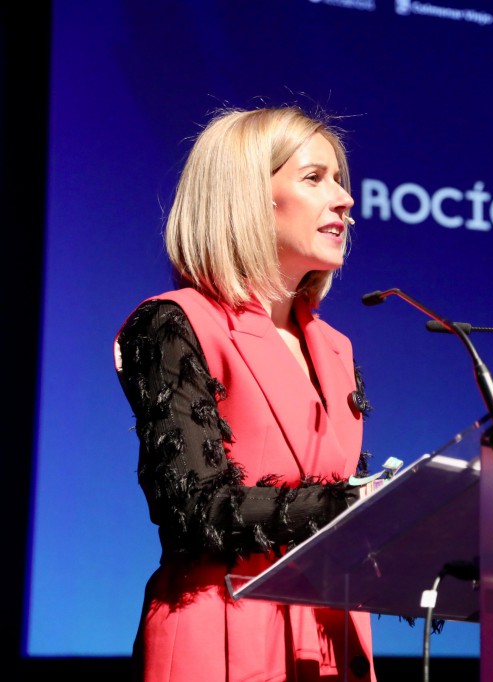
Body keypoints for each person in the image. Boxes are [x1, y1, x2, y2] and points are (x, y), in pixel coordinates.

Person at [114, 105, 375, 681]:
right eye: (314, 178)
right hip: (225, 634)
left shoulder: (336, 349)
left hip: (330, 641)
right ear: (248, 198)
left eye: (339, 179)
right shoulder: (174, 324)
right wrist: (349, 506)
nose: (344, 199)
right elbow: (192, 507)